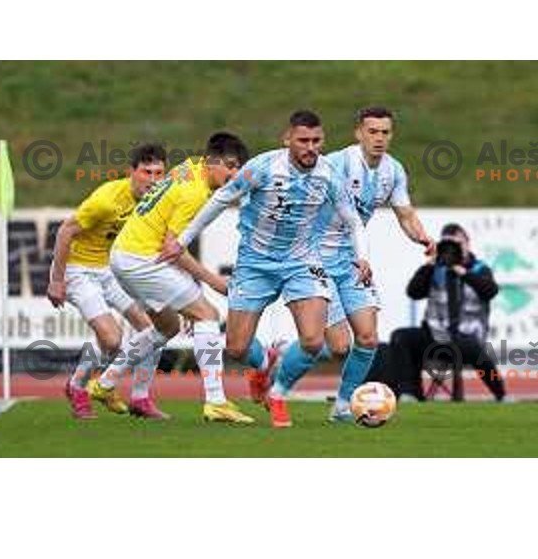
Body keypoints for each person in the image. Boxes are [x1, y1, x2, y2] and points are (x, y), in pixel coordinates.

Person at [159, 111, 372, 428]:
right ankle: (263, 364)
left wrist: (362, 257)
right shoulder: (261, 167)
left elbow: (353, 220)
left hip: (302, 261)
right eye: (303, 140)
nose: (310, 147)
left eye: (316, 140)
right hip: (255, 264)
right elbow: (219, 200)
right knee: (236, 347)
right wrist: (183, 240)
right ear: (287, 140)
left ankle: (278, 394)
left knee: (314, 341)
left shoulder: (328, 174)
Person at [94, 132, 255, 424]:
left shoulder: (189, 166)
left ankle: (104, 384)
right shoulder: (195, 193)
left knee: (166, 328)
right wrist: (215, 282)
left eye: (237, 169)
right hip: (141, 259)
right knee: (208, 314)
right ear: (211, 161)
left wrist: (188, 292)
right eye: (228, 166)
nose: (233, 175)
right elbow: (175, 249)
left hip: (126, 254)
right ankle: (216, 401)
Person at [320, 106, 435, 422]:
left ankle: (343, 406)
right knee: (338, 345)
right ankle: (280, 369)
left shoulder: (393, 171)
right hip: (315, 259)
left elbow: (406, 214)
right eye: (372, 131)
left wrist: (423, 238)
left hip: (353, 260)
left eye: (385, 132)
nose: (379, 138)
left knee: (368, 337)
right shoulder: (336, 163)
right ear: (358, 133)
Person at [47, 144, 168, 420]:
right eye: (146, 172)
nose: (152, 180)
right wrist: (56, 280)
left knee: (155, 330)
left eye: (158, 173)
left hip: (110, 268)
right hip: (78, 270)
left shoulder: (158, 200)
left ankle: (140, 397)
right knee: (112, 339)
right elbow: (65, 231)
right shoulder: (107, 199)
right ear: (131, 173)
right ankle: (77, 386)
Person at [391, 223, 506, 401]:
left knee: (478, 351)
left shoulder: (479, 269)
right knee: (401, 337)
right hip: (435, 336)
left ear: (467, 244)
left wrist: (463, 271)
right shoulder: (435, 269)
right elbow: (413, 292)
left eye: (458, 244)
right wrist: (429, 265)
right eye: (448, 245)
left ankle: (501, 395)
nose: (453, 250)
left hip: (466, 338)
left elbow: (490, 291)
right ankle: (411, 393)